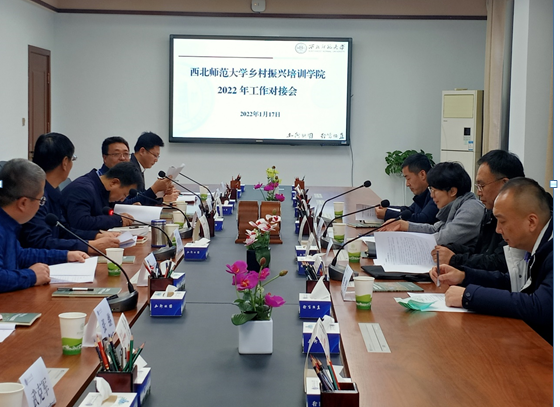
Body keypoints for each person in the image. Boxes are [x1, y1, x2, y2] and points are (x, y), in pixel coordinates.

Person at [429, 178, 553, 344]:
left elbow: (541, 306)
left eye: (502, 221)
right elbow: (514, 282)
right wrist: (464, 276)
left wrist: (469, 296)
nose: (498, 230)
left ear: (531, 222)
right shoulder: (536, 245)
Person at [20, 133, 120, 255]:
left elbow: (63, 230)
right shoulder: (35, 195)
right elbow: (40, 242)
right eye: (72, 159)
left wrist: (95, 236)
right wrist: (90, 246)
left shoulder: (53, 190)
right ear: (65, 162)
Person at [0, 159, 89, 293]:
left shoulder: (9, 224)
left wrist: (65, 255)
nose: (41, 205)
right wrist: (32, 275)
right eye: (41, 200)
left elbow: (21, 255)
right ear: (23, 203)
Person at [431, 150, 525, 272]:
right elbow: (480, 251)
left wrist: (455, 259)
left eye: (482, 186)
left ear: (505, 184)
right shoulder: (489, 213)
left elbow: (500, 263)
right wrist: (451, 249)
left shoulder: (519, 216)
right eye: (477, 186)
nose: (479, 192)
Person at [381, 161, 484, 246]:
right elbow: (434, 229)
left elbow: (444, 238)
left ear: (452, 191)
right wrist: (403, 225)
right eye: (431, 190)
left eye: (434, 190)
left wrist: (406, 243)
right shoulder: (456, 206)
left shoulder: (471, 207)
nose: (432, 195)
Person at [61, 161, 143, 231]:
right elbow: (81, 222)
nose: (122, 199)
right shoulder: (83, 189)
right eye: (124, 194)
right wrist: (118, 220)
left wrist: (130, 209)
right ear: (114, 183)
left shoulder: (102, 189)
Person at [375, 153, 438, 224]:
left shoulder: (437, 192)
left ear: (422, 174)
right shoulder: (423, 193)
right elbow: (409, 211)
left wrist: (387, 214)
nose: (407, 184)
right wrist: (387, 209)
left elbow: (422, 219)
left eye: (408, 178)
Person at [124, 131, 178, 205]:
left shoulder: (137, 166)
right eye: (155, 155)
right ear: (142, 151)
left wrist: (161, 193)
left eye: (158, 156)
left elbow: (141, 195)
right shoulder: (129, 169)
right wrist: (155, 189)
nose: (156, 160)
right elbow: (129, 202)